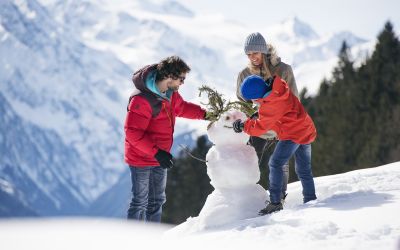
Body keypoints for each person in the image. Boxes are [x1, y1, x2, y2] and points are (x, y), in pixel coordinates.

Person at [124, 56, 208, 222]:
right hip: (142, 158)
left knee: (157, 201)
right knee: (139, 202)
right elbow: (132, 133)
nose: (182, 83)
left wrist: (205, 114)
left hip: (159, 157)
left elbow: (182, 108)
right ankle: (132, 240)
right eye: (181, 79)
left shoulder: (171, 94)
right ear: (170, 77)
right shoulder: (141, 100)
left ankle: (152, 240)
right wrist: (156, 153)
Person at [232, 75, 317, 215]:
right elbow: (274, 112)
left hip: (293, 134)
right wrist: (258, 114)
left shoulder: (272, 104)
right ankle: (310, 199)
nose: (254, 103)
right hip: (305, 128)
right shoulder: (278, 89)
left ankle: (275, 203)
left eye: (253, 100)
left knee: (276, 163)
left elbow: (260, 127)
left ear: (257, 97)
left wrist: (243, 126)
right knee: (304, 169)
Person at [236, 32, 299, 201]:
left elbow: (294, 99)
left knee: (280, 162)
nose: (252, 57)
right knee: (250, 157)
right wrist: (250, 116)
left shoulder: (283, 70)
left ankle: (279, 196)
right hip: (259, 125)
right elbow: (242, 102)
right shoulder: (244, 74)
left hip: (282, 123)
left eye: (255, 53)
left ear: (263, 51)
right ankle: (247, 198)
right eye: (248, 55)